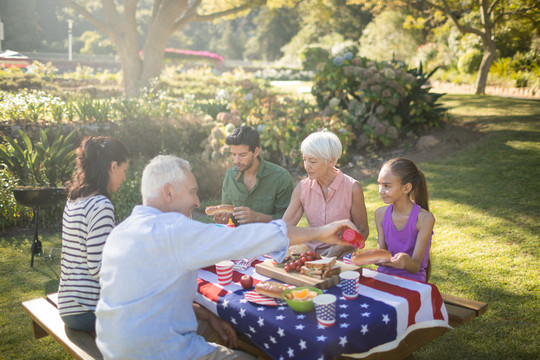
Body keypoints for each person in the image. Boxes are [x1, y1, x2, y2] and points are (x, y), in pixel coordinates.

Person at [95, 155, 356, 360]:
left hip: (116, 346)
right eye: (193, 192)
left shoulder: (121, 232)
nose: (197, 201)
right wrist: (321, 232)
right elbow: (245, 239)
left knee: (232, 330)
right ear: (169, 192)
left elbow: (147, 298)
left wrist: (208, 316)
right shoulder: (172, 230)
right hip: (158, 351)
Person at [58, 136, 130, 332]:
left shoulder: (75, 199)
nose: (124, 177)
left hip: (68, 305)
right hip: (87, 310)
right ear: (113, 166)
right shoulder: (101, 205)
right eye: (124, 170)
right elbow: (99, 269)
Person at [282, 130, 369, 258]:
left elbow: (362, 231)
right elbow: (284, 228)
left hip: (342, 254)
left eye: (312, 161)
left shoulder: (352, 188)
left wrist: (338, 250)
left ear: (331, 162)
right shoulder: (302, 188)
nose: (306, 166)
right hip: (309, 253)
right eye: (304, 159)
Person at [215, 125, 295, 225]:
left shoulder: (281, 177)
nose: (236, 161)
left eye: (242, 155)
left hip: (271, 238)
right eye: (234, 154)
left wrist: (258, 217)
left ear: (256, 152)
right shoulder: (230, 176)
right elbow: (228, 216)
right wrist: (223, 220)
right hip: (239, 238)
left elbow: (290, 220)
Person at [374, 157, 435, 282]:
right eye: (379, 184)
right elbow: (381, 255)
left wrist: (406, 261)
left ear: (406, 188)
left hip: (412, 281)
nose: (380, 191)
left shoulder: (424, 219)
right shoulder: (380, 214)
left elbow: (415, 267)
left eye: (387, 186)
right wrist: (375, 257)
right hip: (384, 276)